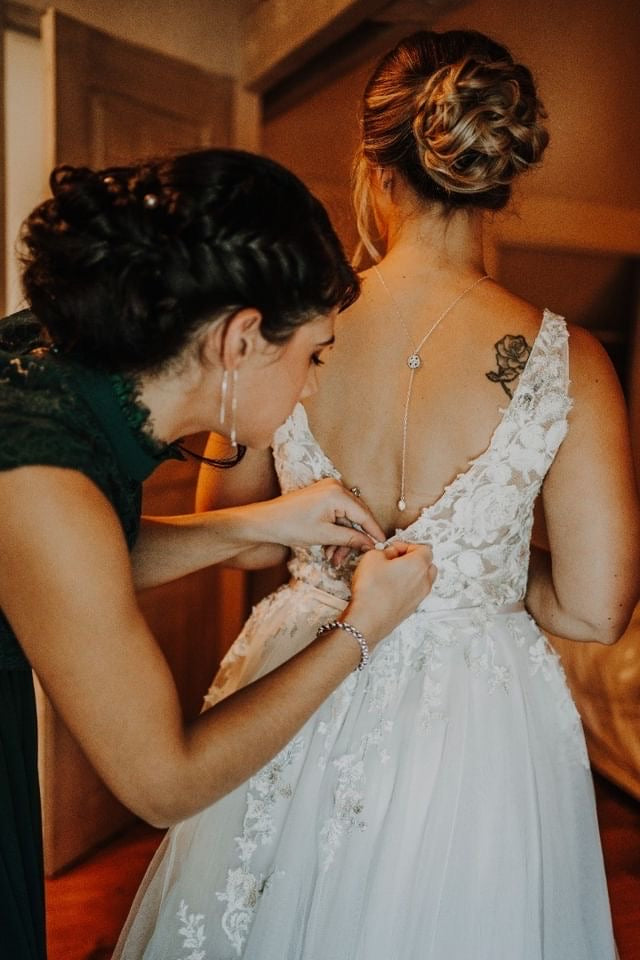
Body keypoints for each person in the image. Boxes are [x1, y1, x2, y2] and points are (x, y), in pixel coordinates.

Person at [114, 31, 640, 960]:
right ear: (503, 175)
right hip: (477, 716)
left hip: (296, 674)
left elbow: (234, 533)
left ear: (374, 167)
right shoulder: (574, 361)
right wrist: (474, 563)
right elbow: (596, 609)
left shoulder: (295, 318)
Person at [0, 148, 435, 960]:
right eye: (314, 354)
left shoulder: (53, 359)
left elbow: (72, 573)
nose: (312, 385)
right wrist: (361, 629)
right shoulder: (41, 476)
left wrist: (259, 523)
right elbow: (164, 783)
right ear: (240, 339)